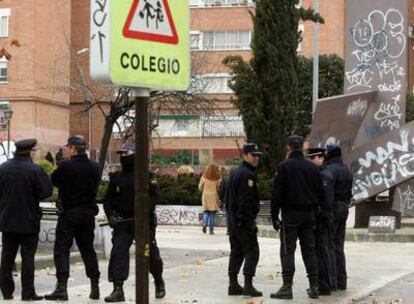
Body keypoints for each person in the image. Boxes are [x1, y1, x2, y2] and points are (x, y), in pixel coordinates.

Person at [103, 143, 165, 302]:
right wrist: (111, 217)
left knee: (149, 253)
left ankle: (158, 281)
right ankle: (118, 288)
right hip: (123, 222)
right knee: (118, 253)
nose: (123, 157)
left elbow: (156, 196)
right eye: (121, 155)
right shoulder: (117, 177)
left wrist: (143, 212)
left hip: (143, 223)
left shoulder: (147, 175)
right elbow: (107, 200)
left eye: (126, 154)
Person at [45, 135, 102, 301]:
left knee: (62, 249)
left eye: (67, 148)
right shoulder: (95, 167)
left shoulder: (65, 166)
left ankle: (62, 287)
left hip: (69, 213)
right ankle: (95, 285)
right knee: (88, 250)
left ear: (72, 148)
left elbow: (54, 181)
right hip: (87, 214)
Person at [270, 135, 327, 300]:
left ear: (289, 147)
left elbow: (277, 194)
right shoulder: (312, 167)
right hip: (309, 214)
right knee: (309, 249)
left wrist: (275, 216)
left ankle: (287, 286)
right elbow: (321, 193)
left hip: (291, 214)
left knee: (288, 250)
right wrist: (321, 212)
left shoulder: (284, 167)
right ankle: (314, 285)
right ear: (302, 146)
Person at [0, 138, 52, 301]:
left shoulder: (3, 168)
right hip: (29, 220)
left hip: (7, 220)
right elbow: (46, 192)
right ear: (30, 152)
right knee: (28, 257)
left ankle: (6, 292)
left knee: (7, 256)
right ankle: (28, 293)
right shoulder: (35, 170)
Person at [227, 143, 263, 297]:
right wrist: (247, 222)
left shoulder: (236, 172)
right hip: (242, 221)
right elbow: (245, 201)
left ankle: (233, 284)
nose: (256, 158)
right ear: (245, 155)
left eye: (258, 156)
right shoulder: (247, 174)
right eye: (253, 155)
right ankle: (248, 285)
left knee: (236, 252)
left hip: (234, 220)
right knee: (252, 251)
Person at [324, 144, 353, 291]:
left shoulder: (329, 170)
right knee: (339, 247)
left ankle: (332, 282)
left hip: (333, 209)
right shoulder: (346, 169)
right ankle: (342, 282)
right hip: (344, 208)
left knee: (330, 245)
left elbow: (328, 194)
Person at [307, 147, 334, 296]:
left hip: (322, 219)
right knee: (318, 251)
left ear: (322, 158)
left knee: (322, 252)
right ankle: (321, 284)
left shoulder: (325, 176)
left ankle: (324, 285)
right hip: (317, 218)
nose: (311, 161)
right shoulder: (317, 174)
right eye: (309, 158)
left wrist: (320, 215)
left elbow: (326, 201)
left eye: (313, 158)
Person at [199, 164, 221, 235]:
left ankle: (204, 224)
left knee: (206, 211)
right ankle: (211, 230)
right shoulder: (217, 178)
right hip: (213, 196)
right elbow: (218, 187)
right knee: (212, 213)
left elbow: (200, 187)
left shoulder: (204, 177)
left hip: (205, 195)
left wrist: (203, 189)